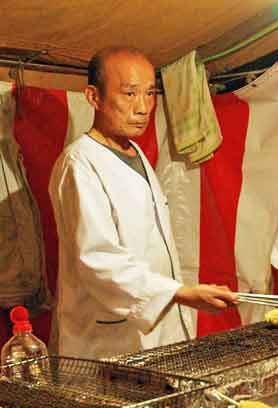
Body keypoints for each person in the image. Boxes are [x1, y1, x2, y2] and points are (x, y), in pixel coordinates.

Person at [48, 47, 237, 360]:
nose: (143, 107)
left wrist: (175, 293)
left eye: (150, 93)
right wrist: (180, 292)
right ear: (93, 97)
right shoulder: (80, 163)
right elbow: (97, 258)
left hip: (157, 324)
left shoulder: (134, 152)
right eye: (129, 93)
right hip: (108, 339)